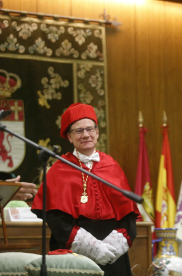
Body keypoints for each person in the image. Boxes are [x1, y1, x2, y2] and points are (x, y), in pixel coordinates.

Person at [31, 103, 140, 276]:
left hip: (114, 256)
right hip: (74, 256)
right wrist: (94, 249)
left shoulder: (112, 165)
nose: (86, 135)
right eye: (79, 131)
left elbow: (128, 217)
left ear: (97, 132)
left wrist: (111, 248)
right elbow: (57, 220)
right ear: (69, 137)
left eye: (90, 129)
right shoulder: (59, 169)